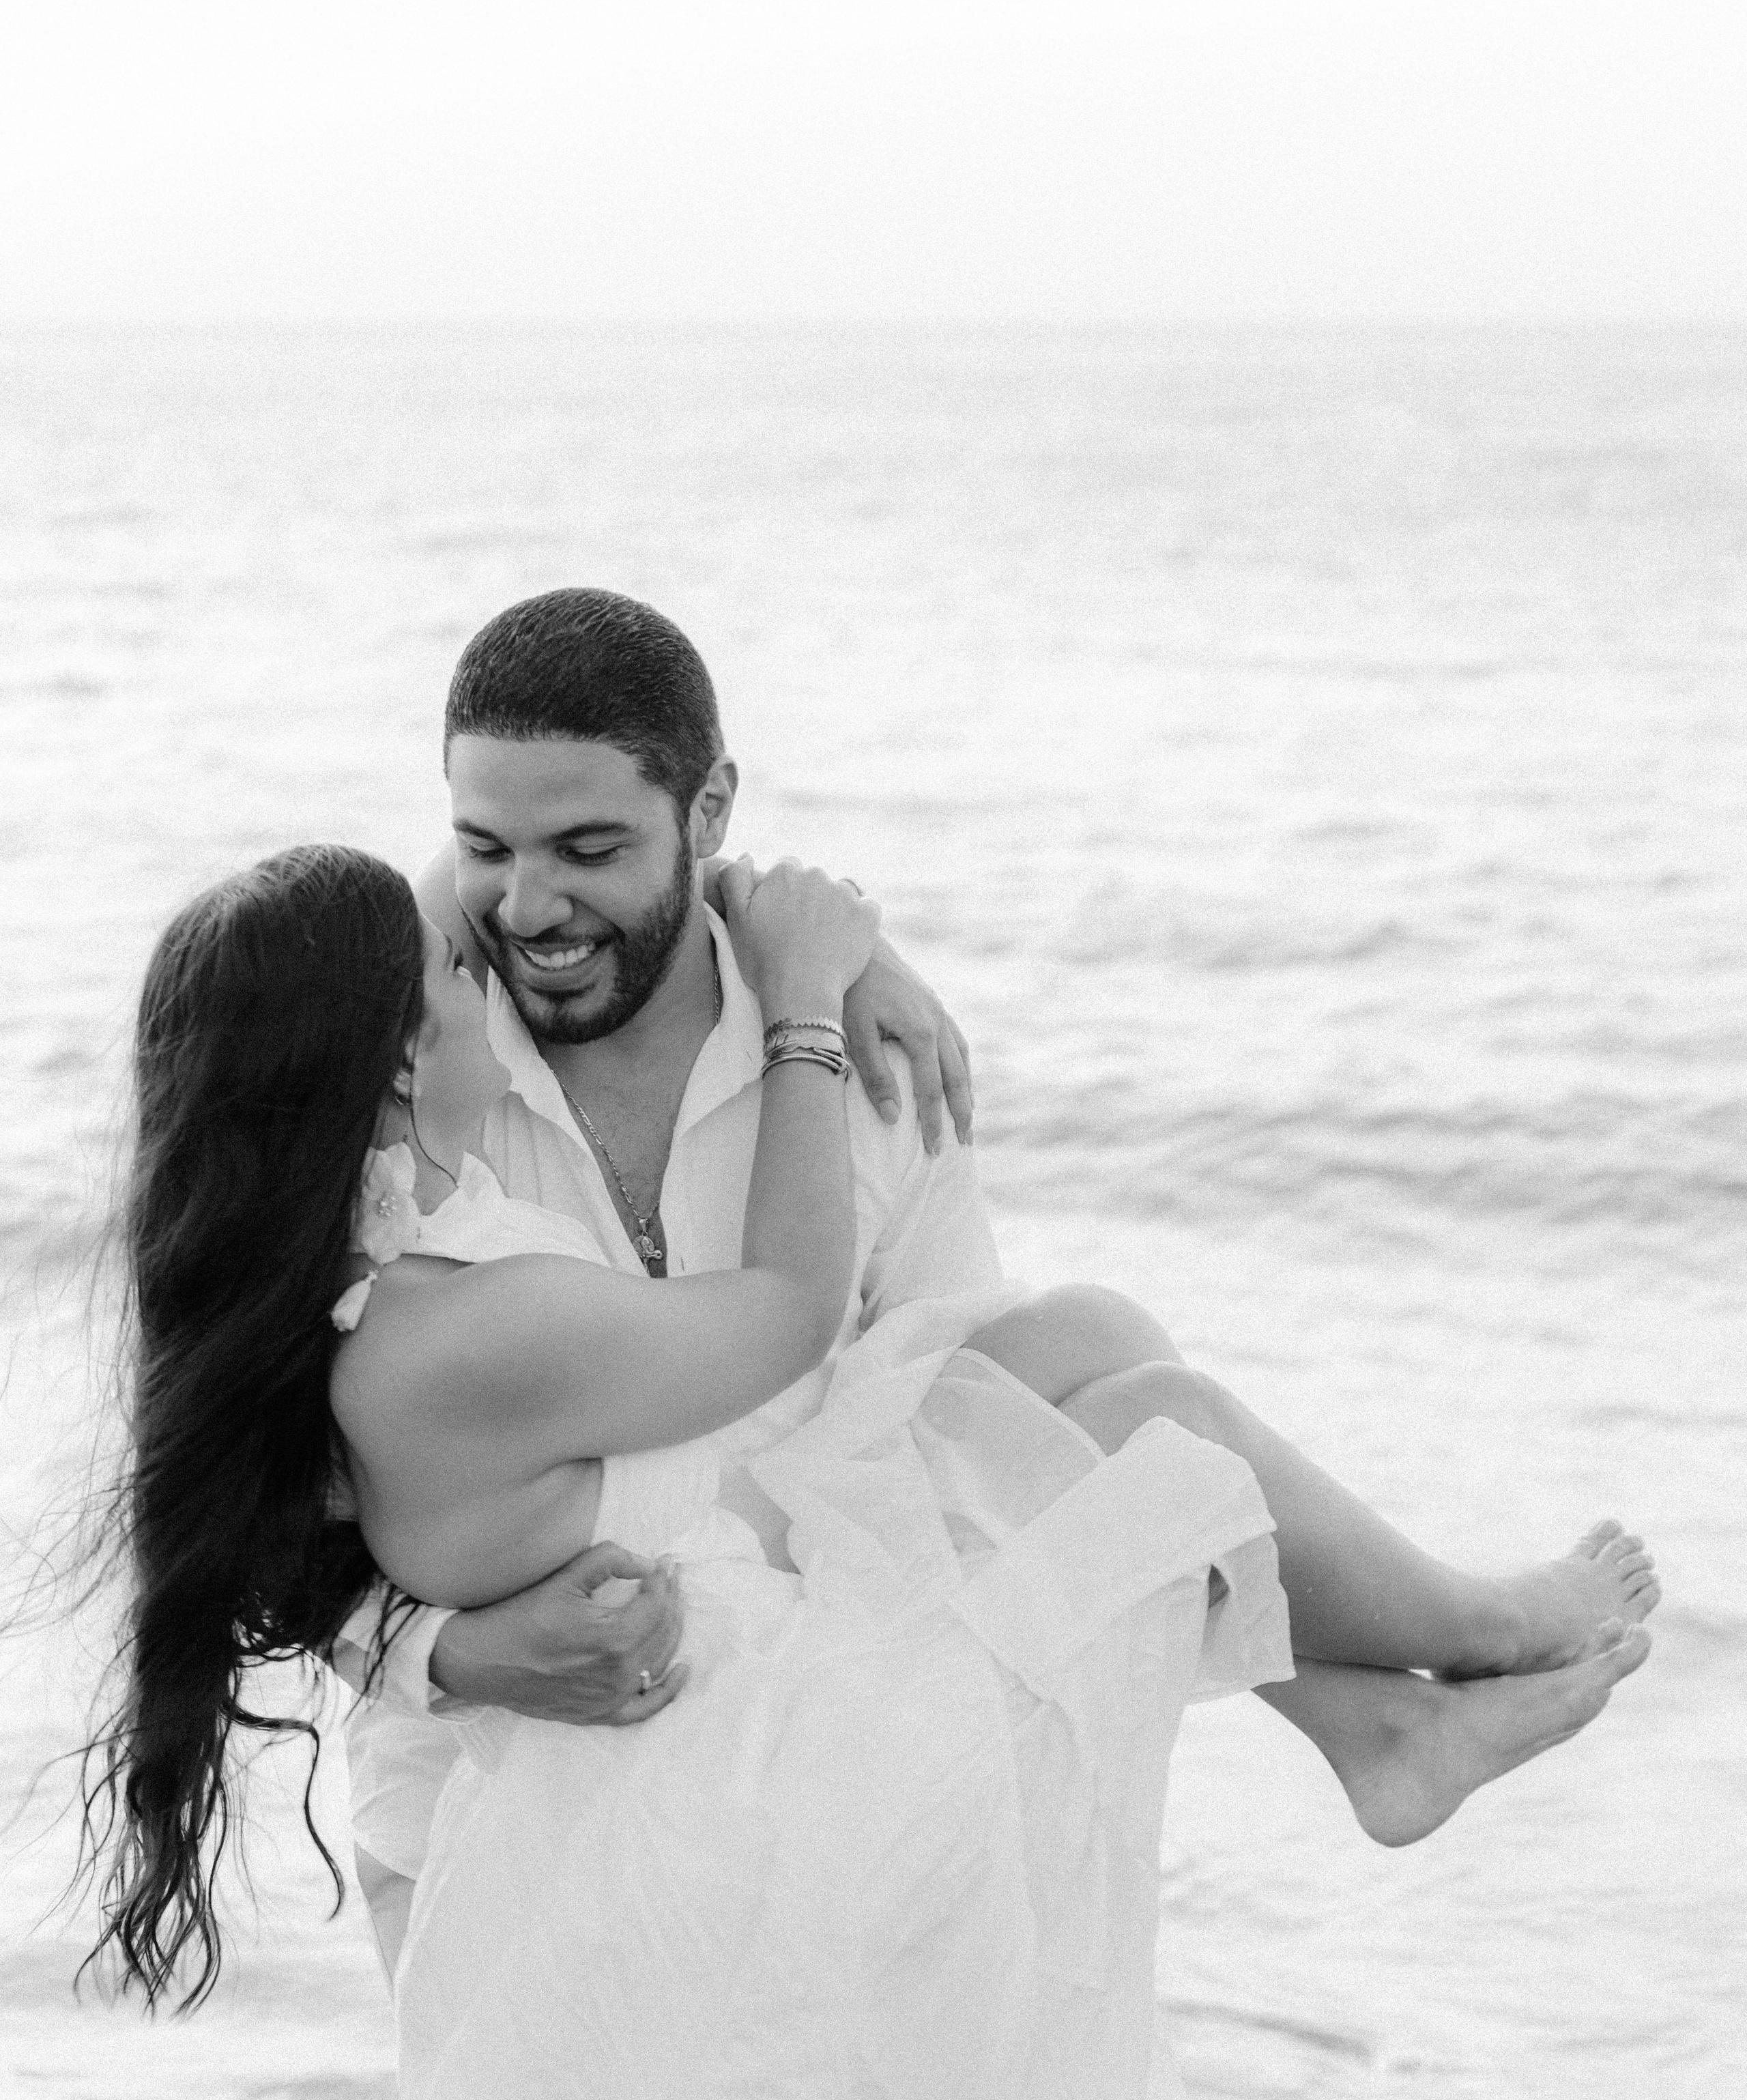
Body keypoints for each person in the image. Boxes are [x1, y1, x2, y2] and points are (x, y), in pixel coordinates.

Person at [336, 588, 1658, 1979]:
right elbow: (237, 1497)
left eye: (590, 849)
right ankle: (1416, 1678)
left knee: (1117, 1389)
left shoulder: (867, 1067)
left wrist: (808, 960)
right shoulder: (404, 1071)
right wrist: (443, 1651)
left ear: (710, 808)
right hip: (505, 1797)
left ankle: (1387, 1710)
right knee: (1141, 1405)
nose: (527, 906)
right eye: (484, 848)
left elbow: (957, 1457)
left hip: (814, 1729)